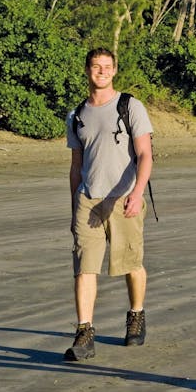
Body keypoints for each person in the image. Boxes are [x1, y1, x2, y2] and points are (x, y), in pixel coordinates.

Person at [63, 47, 154, 361]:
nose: (101, 71)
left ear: (114, 70)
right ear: (87, 70)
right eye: (95, 66)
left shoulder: (130, 106)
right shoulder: (77, 116)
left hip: (124, 196)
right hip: (88, 199)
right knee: (84, 266)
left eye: (106, 67)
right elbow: (76, 165)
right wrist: (75, 200)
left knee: (130, 263)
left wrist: (137, 192)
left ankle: (136, 314)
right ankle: (84, 332)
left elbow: (145, 155)